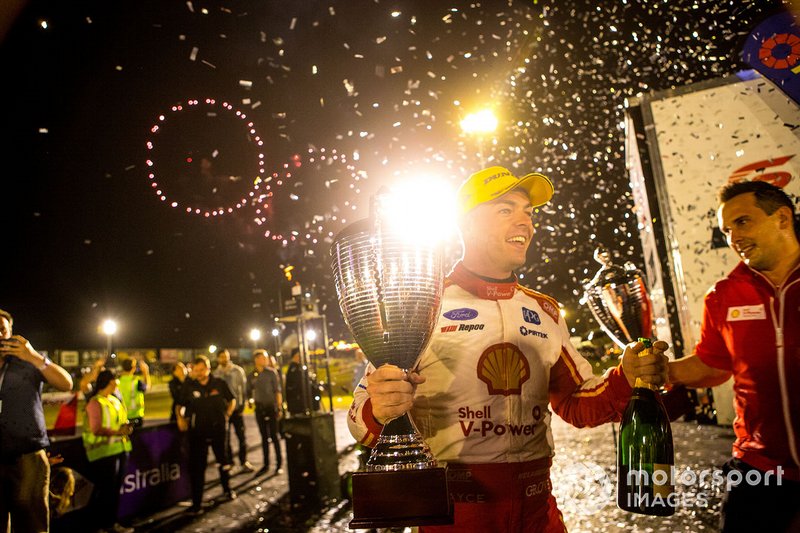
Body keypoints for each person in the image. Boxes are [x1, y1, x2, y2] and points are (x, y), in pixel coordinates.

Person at [347, 166, 668, 532]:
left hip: (538, 513)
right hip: (453, 517)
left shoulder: (544, 310)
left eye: (528, 212)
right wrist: (381, 407)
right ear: (467, 225)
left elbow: (577, 403)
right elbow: (361, 417)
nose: (525, 223)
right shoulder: (423, 304)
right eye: (505, 210)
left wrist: (626, 378)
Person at [667, 180, 800, 532]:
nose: (733, 237)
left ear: (783, 219)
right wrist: (658, 371)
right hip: (758, 470)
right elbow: (713, 364)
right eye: (726, 229)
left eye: (742, 222)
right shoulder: (723, 294)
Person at [0, 308, 73, 533]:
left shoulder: (27, 360)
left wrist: (32, 356)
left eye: (2, 329)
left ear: (11, 331)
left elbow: (66, 383)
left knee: (32, 525)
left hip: (27, 457)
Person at [176, 355, 237, 515]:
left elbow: (232, 400)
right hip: (198, 432)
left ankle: (227, 489)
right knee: (198, 467)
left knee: (223, 461)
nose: (199, 373)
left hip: (218, 430)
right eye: (196, 370)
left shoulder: (219, 383)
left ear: (208, 368)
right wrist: (180, 418)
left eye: (202, 369)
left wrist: (227, 414)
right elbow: (179, 404)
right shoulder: (189, 386)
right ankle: (197, 503)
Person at [81, 369, 134, 533]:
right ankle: (100, 525)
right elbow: (96, 429)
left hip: (119, 450)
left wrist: (126, 428)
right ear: (109, 382)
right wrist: (118, 432)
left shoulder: (114, 400)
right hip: (103, 454)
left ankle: (110, 524)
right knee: (105, 492)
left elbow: (119, 421)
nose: (117, 382)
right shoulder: (95, 402)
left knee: (113, 491)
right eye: (115, 380)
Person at [213, 349, 252, 472]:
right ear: (218, 358)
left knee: (241, 436)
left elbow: (243, 389)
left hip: (237, 408)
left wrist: (242, 405)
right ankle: (229, 461)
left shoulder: (237, 371)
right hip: (223, 411)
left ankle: (243, 461)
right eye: (222, 357)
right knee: (226, 438)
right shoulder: (216, 374)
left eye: (226, 356)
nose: (224, 359)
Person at [248, 349, 283, 476]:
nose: (265, 360)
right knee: (264, 437)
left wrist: (279, 407)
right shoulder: (251, 375)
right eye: (263, 358)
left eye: (266, 358)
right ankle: (266, 464)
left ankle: (279, 464)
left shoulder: (272, 373)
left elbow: (277, 391)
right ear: (256, 360)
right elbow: (249, 391)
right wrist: (250, 401)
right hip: (259, 409)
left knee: (274, 436)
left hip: (271, 407)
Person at [118, 357, 150, 428]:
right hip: (136, 416)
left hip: (122, 416)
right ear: (133, 368)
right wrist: (146, 373)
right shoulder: (136, 381)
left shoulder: (117, 381)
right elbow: (147, 387)